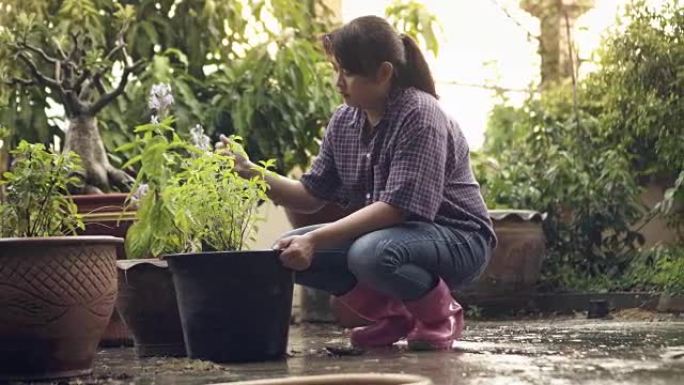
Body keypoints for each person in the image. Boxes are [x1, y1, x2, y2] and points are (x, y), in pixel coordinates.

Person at [218, 15, 496, 351]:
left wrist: (316, 238)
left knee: (369, 253)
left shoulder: (421, 115)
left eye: (347, 72)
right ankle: (394, 318)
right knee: (285, 249)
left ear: (383, 73)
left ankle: (440, 317)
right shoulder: (345, 120)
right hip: (397, 239)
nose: (338, 82)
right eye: (336, 70)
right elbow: (310, 195)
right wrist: (250, 171)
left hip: (459, 238)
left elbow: (397, 209)